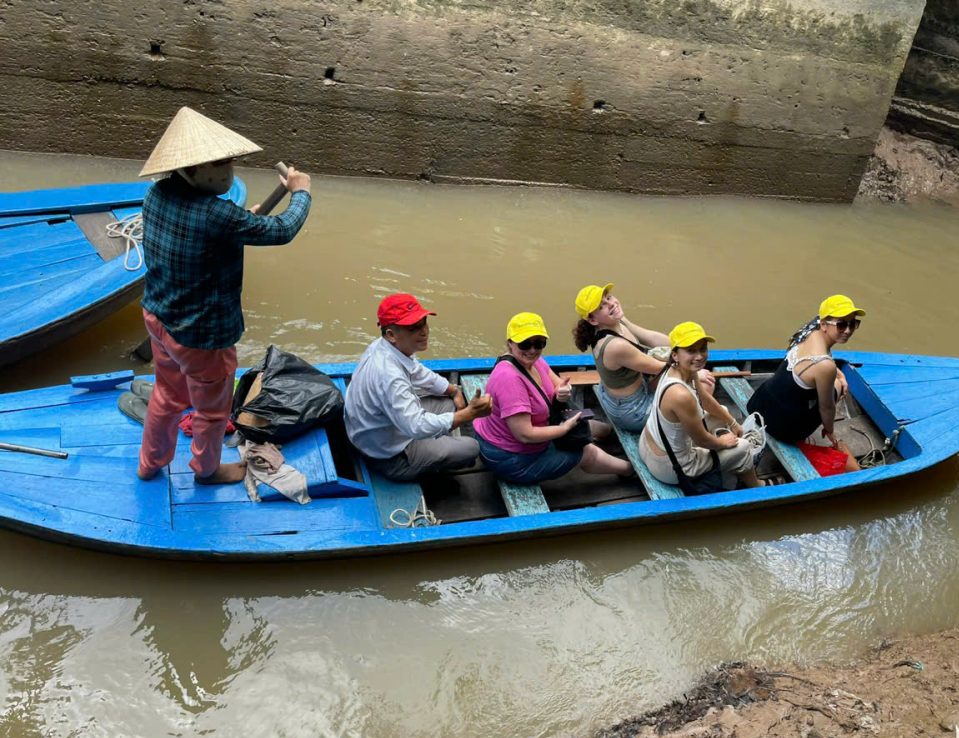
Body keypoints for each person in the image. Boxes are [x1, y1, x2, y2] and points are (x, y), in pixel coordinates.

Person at [136, 106, 312, 484]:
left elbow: (211, 228)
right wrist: (301, 193)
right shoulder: (218, 216)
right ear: (190, 170)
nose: (228, 172)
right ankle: (207, 469)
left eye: (229, 163)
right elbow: (281, 230)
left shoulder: (156, 194)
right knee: (212, 412)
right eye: (219, 165)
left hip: (158, 318)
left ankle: (150, 463)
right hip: (201, 338)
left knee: (166, 396)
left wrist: (241, 219)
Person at [344, 293, 493, 481]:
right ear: (391, 334)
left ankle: (439, 441)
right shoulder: (390, 377)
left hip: (380, 429)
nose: (424, 332)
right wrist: (469, 414)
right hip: (388, 454)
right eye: (413, 328)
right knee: (471, 448)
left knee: (451, 403)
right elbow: (416, 427)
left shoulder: (384, 346)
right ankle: (431, 458)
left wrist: (452, 389)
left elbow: (416, 370)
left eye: (423, 323)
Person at [473, 313, 634, 485]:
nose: (532, 350)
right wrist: (563, 429)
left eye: (539, 343)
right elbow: (525, 435)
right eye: (525, 344)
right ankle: (629, 470)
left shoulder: (533, 361)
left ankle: (611, 436)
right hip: (511, 457)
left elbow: (556, 383)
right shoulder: (510, 380)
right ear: (510, 343)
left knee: (590, 425)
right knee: (586, 451)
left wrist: (562, 391)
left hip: (534, 428)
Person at [640, 322, 770, 493]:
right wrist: (723, 443)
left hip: (648, 444)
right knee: (744, 447)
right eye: (691, 350)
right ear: (675, 355)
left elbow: (706, 400)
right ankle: (757, 486)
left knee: (722, 411)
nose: (700, 356)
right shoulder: (681, 395)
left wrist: (732, 422)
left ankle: (731, 462)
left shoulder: (676, 369)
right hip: (670, 467)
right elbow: (703, 440)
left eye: (703, 349)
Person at [746, 294, 863, 475]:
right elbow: (827, 408)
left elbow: (823, 362)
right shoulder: (825, 365)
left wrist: (837, 374)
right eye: (841, 324)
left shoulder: (809, 331)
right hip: (782, 428)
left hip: (759, 403)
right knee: (838, 388)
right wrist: (830, 430)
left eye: (853, 324)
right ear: (824, 324)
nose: (847, 330)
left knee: (832, 381)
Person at [572, 283, 673, 432]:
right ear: (593, 320)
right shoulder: (615, 346)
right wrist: (690, 368)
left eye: (608, 297)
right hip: (634, 411)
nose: (611, 304)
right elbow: (662, 367)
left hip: (625, 394)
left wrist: (679, 343)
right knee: (698, 385)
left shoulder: (616, 321)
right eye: (601, 307)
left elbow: (649, 337)